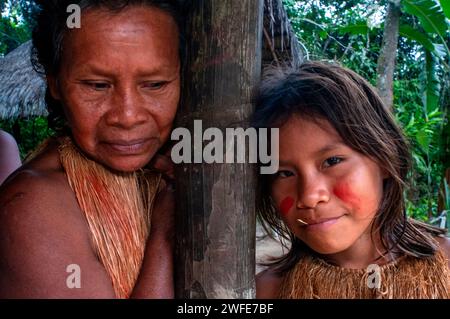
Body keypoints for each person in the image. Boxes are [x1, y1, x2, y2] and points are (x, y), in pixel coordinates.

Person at [0, 0, 181, 298]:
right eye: (96, 85)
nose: (127, 115)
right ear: (55, 84)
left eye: (155, 84)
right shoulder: (31, 207)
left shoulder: (167, 169)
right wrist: (164, 236)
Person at [253, 61, 450, 299]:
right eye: (284, 173)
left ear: (385, 160)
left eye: (332, 161)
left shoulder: (444, 265)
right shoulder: (268, 291)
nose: (309, 196)